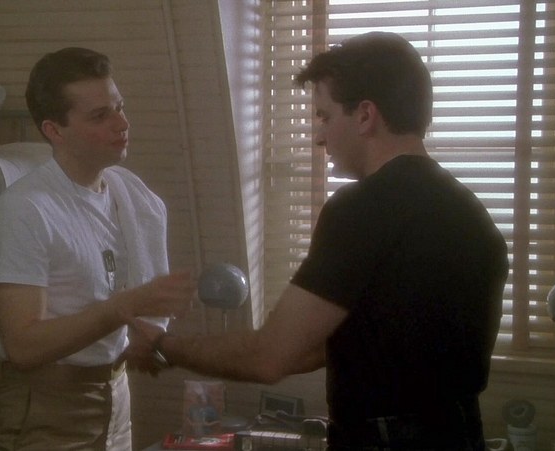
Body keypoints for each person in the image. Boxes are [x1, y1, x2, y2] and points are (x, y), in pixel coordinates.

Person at [129, 31, 510, 450]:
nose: (318, 136)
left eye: (324, 117)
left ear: (365, 116)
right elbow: (325, 348)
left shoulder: (362, 209)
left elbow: (267, 358)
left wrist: (164, 346)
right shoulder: (470, 214)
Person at [0, 47, 195, 450]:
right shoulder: (25, 209)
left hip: (115, 392)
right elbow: (23, 347)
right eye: (100, 116)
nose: (122, 124)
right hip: (50, 403)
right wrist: (122, 307)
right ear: (54, 130)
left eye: (120, 107)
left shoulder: (129, 195)